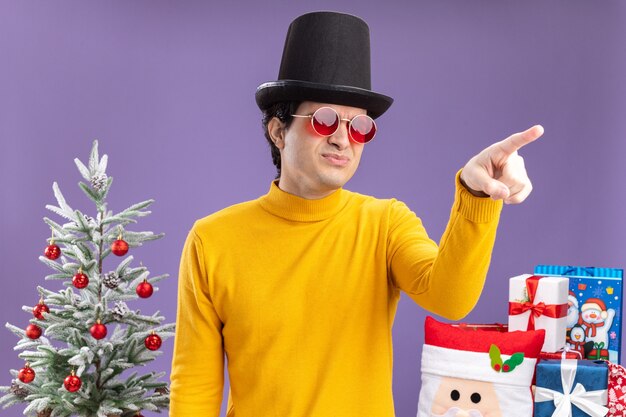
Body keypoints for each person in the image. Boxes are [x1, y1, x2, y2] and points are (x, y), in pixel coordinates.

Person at [169, 11, 543, 417]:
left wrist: (477, 195)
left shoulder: (385, 223)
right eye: (324, 119)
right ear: (278, 132)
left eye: (359, 125)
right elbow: (195, 387)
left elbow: (451, 298)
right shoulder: (213, 239)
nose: (342, 138)